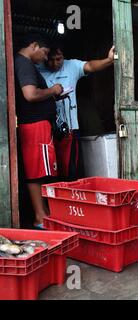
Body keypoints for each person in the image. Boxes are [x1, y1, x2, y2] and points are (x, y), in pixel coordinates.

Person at [38, 44, 115, 180]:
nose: (55, 63)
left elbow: (90, 66)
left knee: (69, 169)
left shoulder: (72, 66)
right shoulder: (37, 70)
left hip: (69, 129)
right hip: (46, 127)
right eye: (51, 60)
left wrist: (108, 60)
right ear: (45, 57)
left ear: (64, 57)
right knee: (49, 168)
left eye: (59, 59)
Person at [14, 33, 63, 229]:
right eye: (44, 53)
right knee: (37, 172)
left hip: (35, 125)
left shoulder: (21, 63)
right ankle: (41, 218)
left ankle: (43, 215)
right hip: (35, 126)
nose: (44, 58)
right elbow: (30, 94)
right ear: (34, 46)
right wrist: (52, 90)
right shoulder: (24, 63)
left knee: (41, 170)